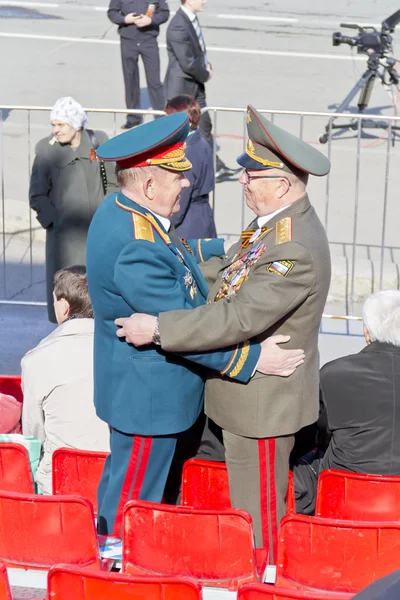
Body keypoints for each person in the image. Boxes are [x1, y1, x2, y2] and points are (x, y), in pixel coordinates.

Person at [114, 105, 332, 560]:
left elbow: (238, 316)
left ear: (283, 185)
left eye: (254, 176)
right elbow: (228, 270)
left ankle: (266, 585)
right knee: (245, 514)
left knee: (260, 524)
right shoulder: (270, 227)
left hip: (263, 407)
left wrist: (159, 328)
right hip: (242, 401)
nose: (245, 182)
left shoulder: (291, 245)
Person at [21, 266, 110, 495]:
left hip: (60, 484)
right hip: (114, 477)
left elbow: (34, 433)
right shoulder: (121, 350)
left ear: (64, 306)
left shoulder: (36, 359)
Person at [29, 97, 118, 323]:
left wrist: (106, 215)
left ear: (76, 125)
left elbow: (113, 184)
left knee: (96, 290)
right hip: (64, 242)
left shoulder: (98, 143)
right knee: (67, 290)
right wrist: (55, 222)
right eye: (53, 125)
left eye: (60, 125)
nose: (55, 130)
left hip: (97, 234)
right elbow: (37, 195)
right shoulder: (47, 151)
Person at [164, 0, 240, 181]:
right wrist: (205, 74)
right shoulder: (178, 25)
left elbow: (198, 51)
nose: (205, 1)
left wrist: (206, 66)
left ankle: (214, 166)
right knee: (185, 132)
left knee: (205, 125)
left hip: (195, 84)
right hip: (183, 87)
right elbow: (187, 62)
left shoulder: (191, 19)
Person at [107, 0, 169, 129]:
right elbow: (112, 12)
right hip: (128, 40)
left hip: (149, 40)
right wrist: (125, 19)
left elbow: (164, 13)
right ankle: (133, 117)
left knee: (154, 81)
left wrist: (151, 20)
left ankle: (160, 118)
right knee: (130, 80)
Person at [164, 94, 216, 238]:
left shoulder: (188, 151)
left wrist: (164, 225)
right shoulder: (201, 142)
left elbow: (183, 196)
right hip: (202, 216)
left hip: (188, 224)